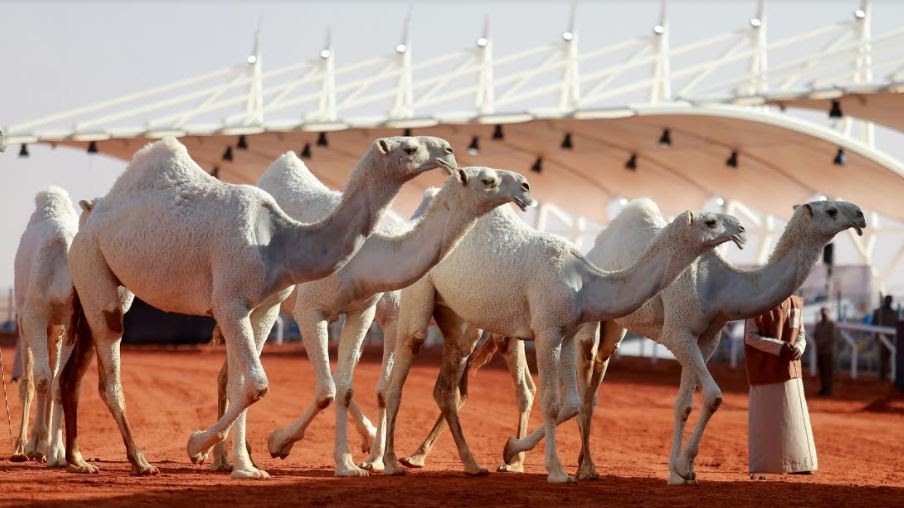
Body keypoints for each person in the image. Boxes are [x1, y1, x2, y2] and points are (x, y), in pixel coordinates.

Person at [744, 295, 818, 475]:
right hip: (764, 372)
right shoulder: (756, 304)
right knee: (768, 420)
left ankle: (801, 463)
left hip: (791, 370)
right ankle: (769, 466)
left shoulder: (796, 303)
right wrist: (780, 348)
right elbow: (750, 337)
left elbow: (801, 335)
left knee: (794, 419)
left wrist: (798, 349)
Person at [813, 307, 839, 396]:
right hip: (820, 352)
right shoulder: (818, 325)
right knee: (822, 370)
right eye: (822, 313)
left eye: (825, 313)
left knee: (828, 371)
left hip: (828, 352)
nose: (823, 315)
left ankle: (828, 389)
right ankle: (824, 388)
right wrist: (818, 344)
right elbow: (815, 335)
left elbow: (832, 338)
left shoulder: (831, 324)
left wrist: (822, 344)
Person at [872, 295, 898, 382]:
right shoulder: (878, 312)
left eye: (890, 300)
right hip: (881, 339)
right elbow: (874, 324)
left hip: (891, 339)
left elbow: (896, 326)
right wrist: (877, 336)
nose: (889, 302)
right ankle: (881, 376)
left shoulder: (894, 313)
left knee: (889, 358)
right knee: (882, 358)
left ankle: (887, 375)